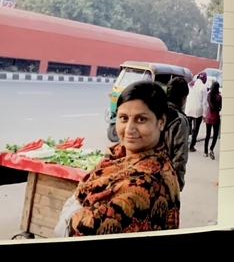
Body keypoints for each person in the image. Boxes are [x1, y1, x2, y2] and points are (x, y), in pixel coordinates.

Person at [54, 81, 180, 236]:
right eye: (123, 118)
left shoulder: (148, 181)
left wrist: (71, 210)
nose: (129, 129)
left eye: (141, 119)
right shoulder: (116, 155)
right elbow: (81, 191)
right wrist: (75, 207)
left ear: (161, 122)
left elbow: (79, 229)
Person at [164, 77, 191, 191]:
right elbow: (180, 157)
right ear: (183, 98)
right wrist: (177, 183)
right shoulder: (180, 121)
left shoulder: (155, 112)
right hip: (168, 179)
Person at [184, 72, 208, 152]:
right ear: (204, 79)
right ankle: (191, 146)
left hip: (189, 109)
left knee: (187, 128)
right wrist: (205, 114)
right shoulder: (203, 87)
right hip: (198, 111)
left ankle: (184, 145)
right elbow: (204, 102)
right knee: (196, 129)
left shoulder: (190, 84)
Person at [202, 81, 221, 159]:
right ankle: (211, 149)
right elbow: (220, 106)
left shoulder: (209, 95)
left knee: (208, 134)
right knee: (215, 135)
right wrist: (218, 108)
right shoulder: (219, 97)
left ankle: (205, 151)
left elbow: (210, 104)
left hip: (209, 116)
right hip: (216, 117)